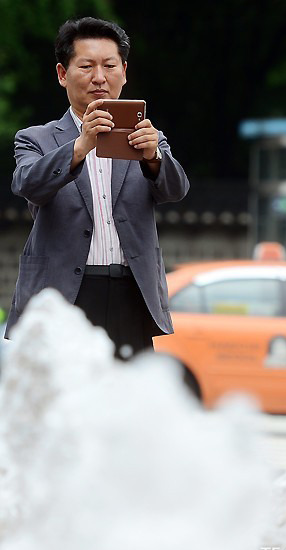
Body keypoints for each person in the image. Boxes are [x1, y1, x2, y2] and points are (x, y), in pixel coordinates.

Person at [4, 17, 189, 358]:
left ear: (124, 71)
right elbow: (29, 184)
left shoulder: (147, 136)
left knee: (127, 400)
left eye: (109, 66)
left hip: (130, 289)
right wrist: (80, 146)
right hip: (63, 292)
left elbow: (175, 191)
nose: (99, 78)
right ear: (62, 74)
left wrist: (153, 158)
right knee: (64, 401)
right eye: (86, 66)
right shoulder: (36, 138)